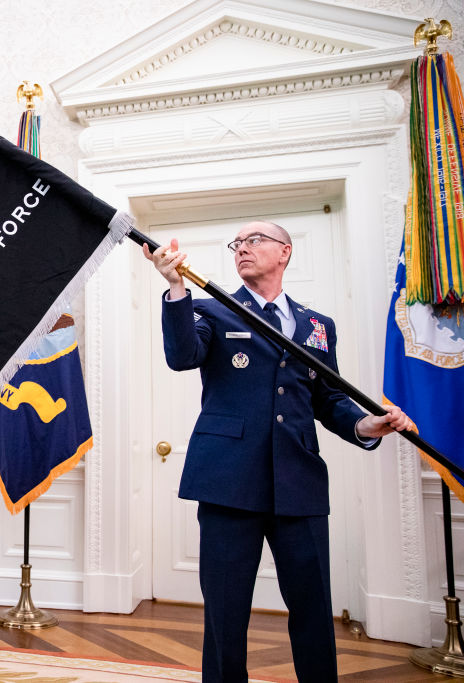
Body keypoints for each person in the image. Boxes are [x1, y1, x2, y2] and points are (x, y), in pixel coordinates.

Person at [143, 221, 413, 682]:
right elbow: (182, 355)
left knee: (313, 607)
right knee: (226, 611)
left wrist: (366, 425)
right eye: (237, 243)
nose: (241, 249)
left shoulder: (317, 325)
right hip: (228, 482)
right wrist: (175, 287)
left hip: (299, 482)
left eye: (254, 240)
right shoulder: (213, 308)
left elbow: (328, 398)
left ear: (284, 251)